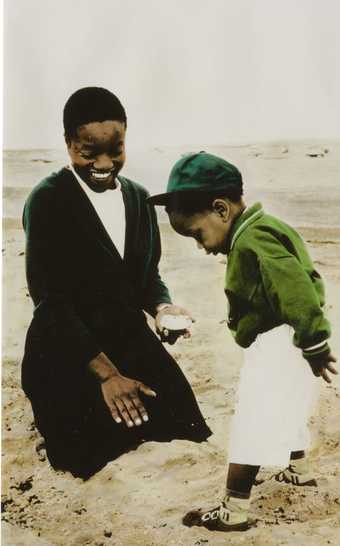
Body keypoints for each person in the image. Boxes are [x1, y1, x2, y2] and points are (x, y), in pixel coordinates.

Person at [21, 88, 211, 480]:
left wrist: (162, 308)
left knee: (185, 427)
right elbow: (50, 303)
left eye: (116, 149)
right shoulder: (47, 201)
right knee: (87, 455)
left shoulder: (139, 199)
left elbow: (146, 277)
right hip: (67, 346)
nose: (104, 163)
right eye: (88, 151)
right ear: (68, 144)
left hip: (127, 337)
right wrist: (108, 377)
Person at [148, 151, 337, 532]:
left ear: (221, 209)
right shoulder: (262, 229)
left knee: (253, 419)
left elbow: (295, 285)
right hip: (290, 337)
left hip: (278, 340)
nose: (201, 247)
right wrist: (308, 341)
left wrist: (315, 341)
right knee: (289, 404)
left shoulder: (254, 238)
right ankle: (297, 468)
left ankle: (234, 508)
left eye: (198, 235)